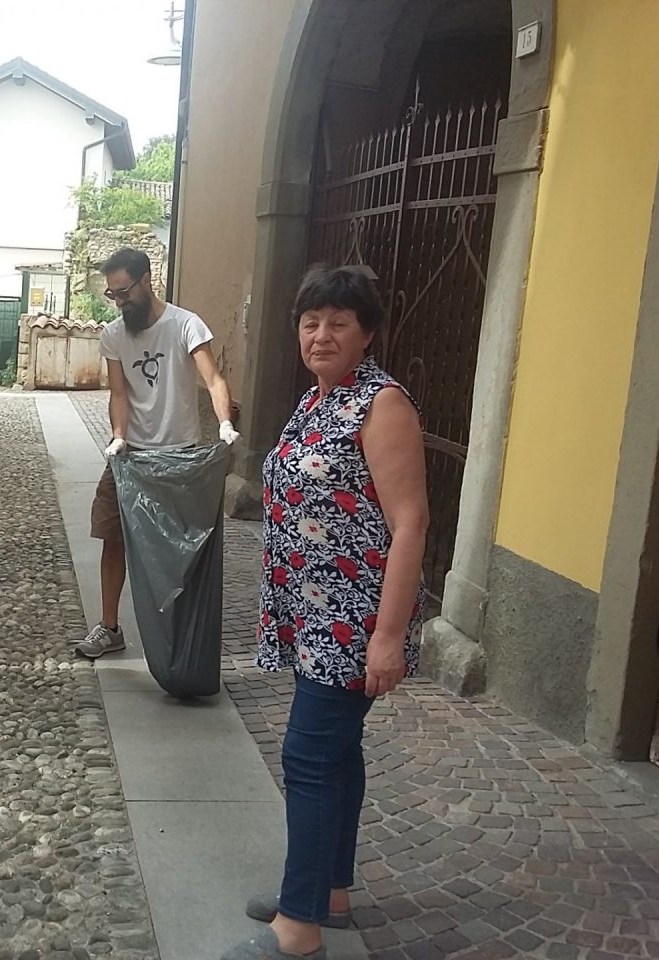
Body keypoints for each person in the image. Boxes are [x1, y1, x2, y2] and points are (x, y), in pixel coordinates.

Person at [223, 266, 428, 960]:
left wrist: (389, 636)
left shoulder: (381, 404)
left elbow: (411, 524)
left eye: (339, 321)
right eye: (311, 321)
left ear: (367, 332)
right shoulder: (320, 400)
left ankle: (299, 926)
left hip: (353, 619)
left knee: (309, 756)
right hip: (313, 614)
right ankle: (329, 890)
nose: (321, 333)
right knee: (335, 754)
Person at [76, 247, 239, 658]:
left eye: (125, 291)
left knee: (176, 547)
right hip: (130, 456)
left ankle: (177, 631)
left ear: (147, 280)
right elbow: (119, 393)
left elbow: (214, 380)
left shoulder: (186, 325)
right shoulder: (114, 335)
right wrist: (118, 436)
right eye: (112, 295)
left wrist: (224, 424)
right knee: (112, 536)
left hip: (178, 455)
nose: (120, 301)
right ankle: (109, 627)